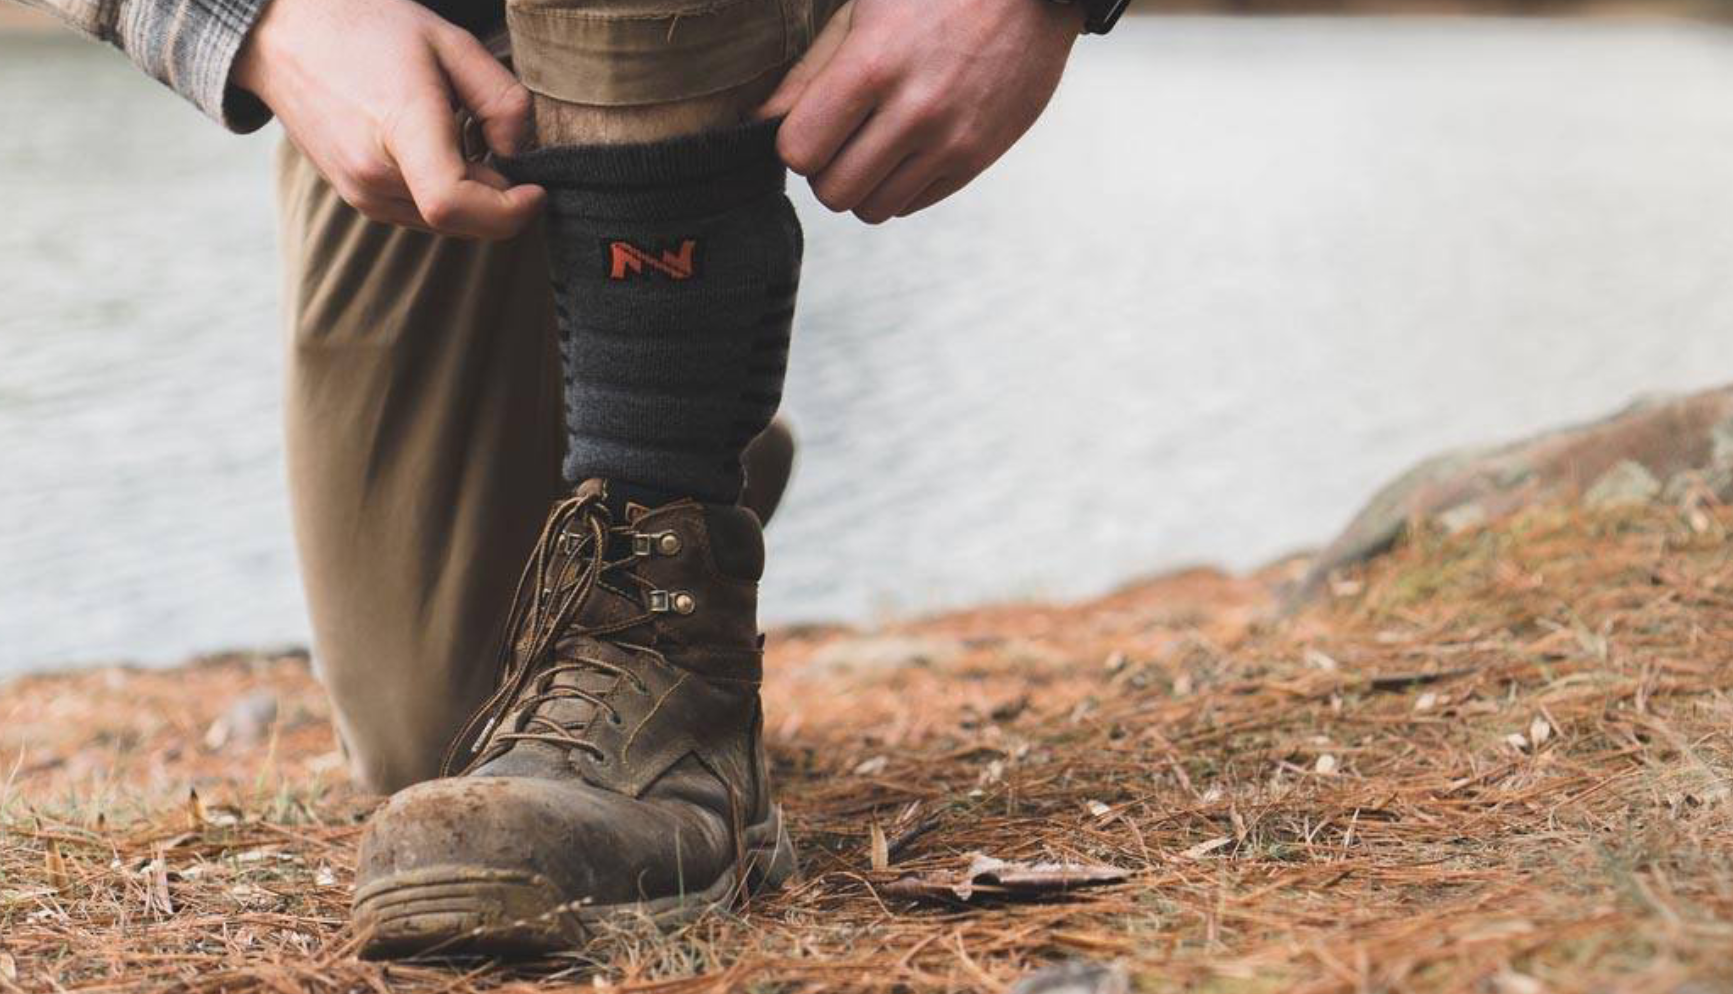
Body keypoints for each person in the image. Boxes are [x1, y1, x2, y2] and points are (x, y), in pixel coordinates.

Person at [24, 0, 1130, 958]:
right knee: (448, 726)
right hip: (452, 49)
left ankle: (669, 525)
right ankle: (667, 389)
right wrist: (270, 23)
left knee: (559, 771)